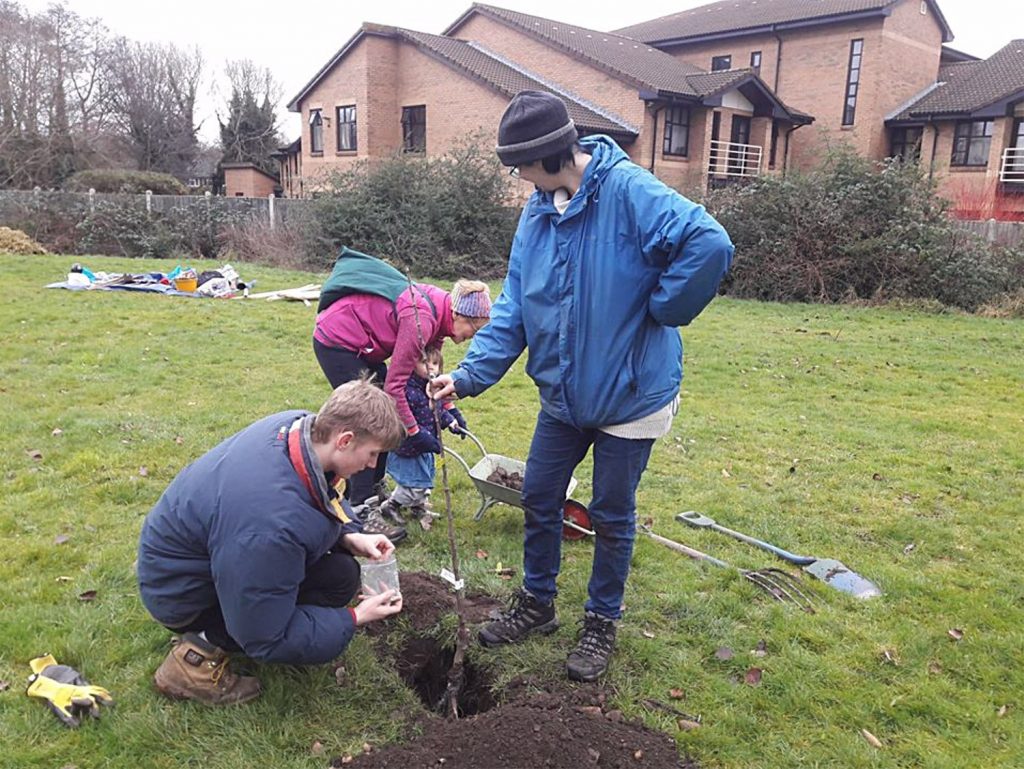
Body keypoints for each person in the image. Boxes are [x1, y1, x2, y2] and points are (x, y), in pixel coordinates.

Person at [430, 90, 734, 682]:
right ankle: (537, 604)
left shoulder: (629, 191)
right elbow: (516, 305)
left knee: (611, 514)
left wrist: (665, 307)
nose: (518, 178)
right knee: (540, 496)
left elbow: (709, 243)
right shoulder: (538, 212)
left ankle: (600, 622)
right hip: (565, 395)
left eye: (519, 166)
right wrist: (468, 376)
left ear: (546, 156)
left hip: (630, 395)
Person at [136, 379, 407, 706]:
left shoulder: (298, 428)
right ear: (345, 440)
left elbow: (325, 491)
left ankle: (240, 624)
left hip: (202, 555)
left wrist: (349, 533)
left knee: (340, 574)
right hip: (179, 593)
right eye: (373, 453)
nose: (373, 465)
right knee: (272, 620)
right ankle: (194, 656)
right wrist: (355, 618)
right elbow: (263, 636)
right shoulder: (271, 524)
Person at [313, 273, 492, 539]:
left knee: (383, 420)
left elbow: (426, 381)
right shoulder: (421, 319)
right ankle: (360, 509)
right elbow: (395, 387)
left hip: (366, 345)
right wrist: (414, 431)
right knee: (368, 420)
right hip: (339, 340)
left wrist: (449, 409)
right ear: (458, 315)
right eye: (473, 330)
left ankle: (373, 487)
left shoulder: (441, 319)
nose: (470, 338)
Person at [379, 346, 467, 527]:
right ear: (412, 365)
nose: (431, 367)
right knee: (413, 483)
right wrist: (422, 436)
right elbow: (404, 419)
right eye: (424, 362)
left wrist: (452, 422)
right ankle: (391, 505)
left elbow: (438, 411)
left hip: (425, 446)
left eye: (435, 363)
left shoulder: (432, 389)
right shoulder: (408, 390)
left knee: (425, 478)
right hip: (409, 447)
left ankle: (417, 507)